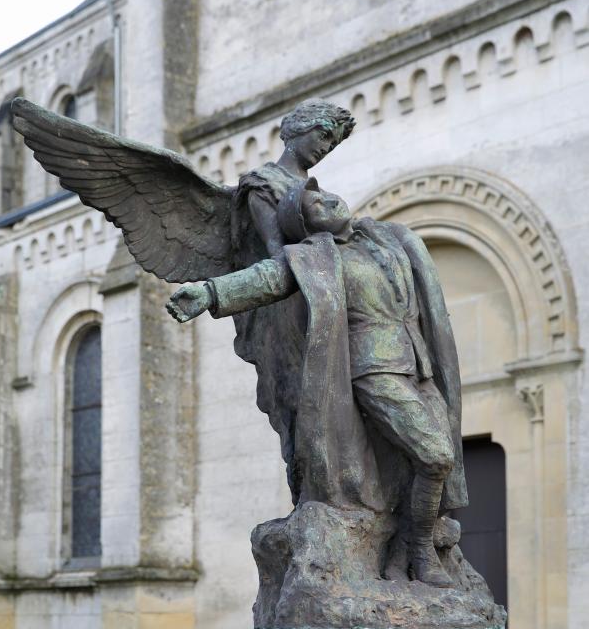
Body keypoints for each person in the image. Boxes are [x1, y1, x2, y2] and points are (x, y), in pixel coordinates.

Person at [167, 178, 465, 588]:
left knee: (421, 463)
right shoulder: (315, 257)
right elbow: (269, 278)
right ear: (307, 226)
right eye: (316, 204)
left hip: (419, 365)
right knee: (435, 456)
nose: (328, 199)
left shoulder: (387, 238)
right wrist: (210, 293)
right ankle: (419, 550)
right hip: (372, 367)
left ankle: (403, 551)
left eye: (326, 195)